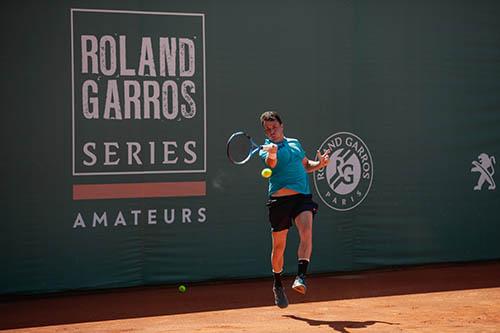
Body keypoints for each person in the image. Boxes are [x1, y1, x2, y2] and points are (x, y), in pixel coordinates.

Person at [258, 111, 330, 309]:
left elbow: (306, 165)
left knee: (306, 231)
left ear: (282, 126)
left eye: (274, 127)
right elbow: (271, 163)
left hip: (302, 197)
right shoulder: (265, 149)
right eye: (267, 129)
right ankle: (278, 284)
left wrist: (321, 164)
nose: (271, 131)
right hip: (279, 202)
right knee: (279, 248)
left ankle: (300, 277)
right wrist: (272, 152)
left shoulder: (295, 143)